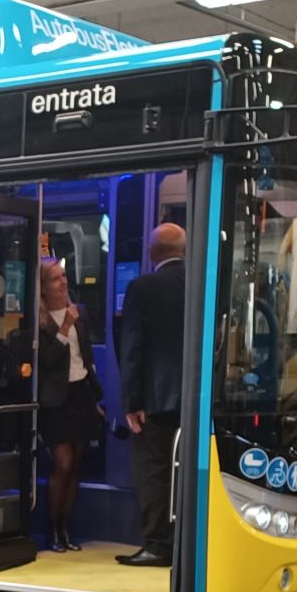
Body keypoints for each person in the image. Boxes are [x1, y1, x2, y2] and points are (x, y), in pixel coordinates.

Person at [117, 223, 187, 567]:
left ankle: (158, 545)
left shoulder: (142, 288)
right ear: (184, 251)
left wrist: (132, 402)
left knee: (154, 471)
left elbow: (132, 347)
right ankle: (186, 541)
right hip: (196, 399)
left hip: (157, 399)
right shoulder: (201, 283)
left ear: (152, 252)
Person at [36, 258, 103, 552]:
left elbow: (86, 356)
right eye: (55, 278)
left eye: (64, 276)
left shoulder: (78, 313)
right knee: (62, 464)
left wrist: (95, 399)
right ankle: (51, 530)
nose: (63, 282)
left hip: (81, 393)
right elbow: (47, 361)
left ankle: (66, 530)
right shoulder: (40, 321)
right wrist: (64, 327)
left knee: (76, 464)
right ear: (43, 287)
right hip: (55, 400)